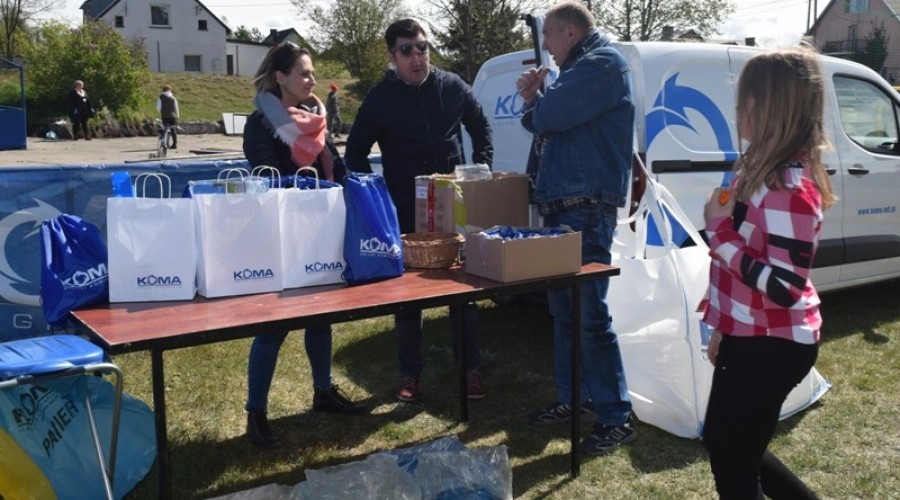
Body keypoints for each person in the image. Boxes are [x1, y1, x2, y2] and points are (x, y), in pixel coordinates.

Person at [701, 48, 834, 499]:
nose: (738, 109)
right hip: (750, 334)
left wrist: (719, 234)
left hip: (773, 344)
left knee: (733, 466)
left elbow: (784, 287)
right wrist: (723, 326)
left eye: (746, 100)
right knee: (725, 443)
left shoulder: (789, 188)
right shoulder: (757, 168)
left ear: (771, 106)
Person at [344, 18, 492, 402]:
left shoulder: (453, 86)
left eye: (422, 48)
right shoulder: (380, 98)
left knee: (465, 290)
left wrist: (481, 169)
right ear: (392, 56)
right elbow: (355, 151)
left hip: (454, 208)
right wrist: (375, 200)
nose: (416, 57)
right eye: (407, 50)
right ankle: (410, 374)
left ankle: (470, 369)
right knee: (408, 298)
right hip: (406, 211)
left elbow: (481, 127)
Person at [516, 1, 635, 455]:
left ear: (568, 32)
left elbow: (546, 119)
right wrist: (536, 101)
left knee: (589, 319)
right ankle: (574, 399)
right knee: (565, 315)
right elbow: (540, 121)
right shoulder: (582, 67)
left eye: (548, 35)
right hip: (565, 206)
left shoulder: (602, 64)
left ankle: (615, 416)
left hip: (584, 208)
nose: (544, 45)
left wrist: (538, 102)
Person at [241, 42, 363, 449]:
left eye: (312, 73)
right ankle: (255, 414)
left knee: (320, 316)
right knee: (273, 328)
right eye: (304, 73)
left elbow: (335, 164)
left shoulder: (314, 120)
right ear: (280, 77)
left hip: (318, 228)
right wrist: (309, 182)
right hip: (280, 230)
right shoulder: (260, 123)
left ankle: (323, 392)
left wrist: (351, 187)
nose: (312, 80)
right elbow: (266, 175)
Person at [156, 85, 180, 149]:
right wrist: (177, 116)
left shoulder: (161, 97)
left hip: (165, 116)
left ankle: (165, 143)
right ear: (170, 90)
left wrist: (161, 111)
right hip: (173, 117)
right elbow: (176, 108)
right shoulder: (173, 98)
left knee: (165, 129)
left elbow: (158, 108)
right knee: (173, 130)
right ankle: (175, 144)